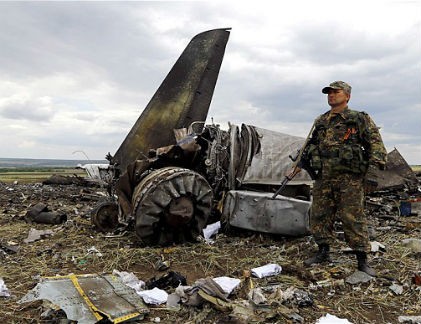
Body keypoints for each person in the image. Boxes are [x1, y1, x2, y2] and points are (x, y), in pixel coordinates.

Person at [299, 81, 387, 276]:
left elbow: (375, 143)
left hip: (350, 178)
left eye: (335, 92)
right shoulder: (321, 121)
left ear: (347, 96)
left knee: (352, 217)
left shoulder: (357, 118)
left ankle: (362, 260)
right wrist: (300, 164)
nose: (331, 95)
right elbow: (311, 145)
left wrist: (373, 172)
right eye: (329, 93)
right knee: (319, 215)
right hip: (324, 177)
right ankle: (323, 251)